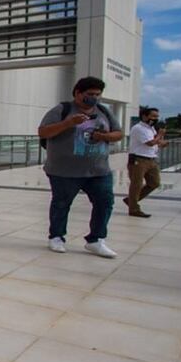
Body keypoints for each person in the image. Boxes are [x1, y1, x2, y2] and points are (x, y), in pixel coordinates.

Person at [38, 77, 123, 258]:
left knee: (105, 202)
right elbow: (43, 132)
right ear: (77, 93)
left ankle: (96, 239)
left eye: (97, 94)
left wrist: (103, 136)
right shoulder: (62, 110)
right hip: (64, 171)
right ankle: (57, 237)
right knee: (61, 203)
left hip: (98, 170)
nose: (94, 98)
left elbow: (118, 133)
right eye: (89, 94)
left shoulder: (103, 112)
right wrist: (69, 123)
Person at [124, 107, 167, 217]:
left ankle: (131, 200)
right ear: (144, 116)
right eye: (153, 116)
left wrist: (161, 142)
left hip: (151, 158)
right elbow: (150, 143)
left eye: (157, 116)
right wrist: (160, 135)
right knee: (136, 184)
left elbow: (154, 142)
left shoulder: (151, 128)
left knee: (154, 183)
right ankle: (134, 209)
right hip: (138, 159)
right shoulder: (138, 128)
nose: (155, 119)